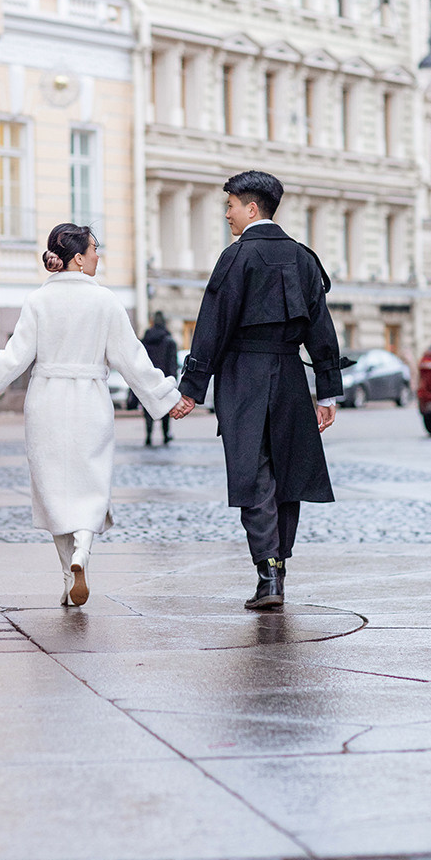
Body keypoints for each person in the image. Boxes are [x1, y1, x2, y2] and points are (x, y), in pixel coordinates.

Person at [0, 224, 190, 607]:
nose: (98, 256)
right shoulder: (106, 302)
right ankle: (82, 555)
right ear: (78, 257)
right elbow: (132, 360)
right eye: (95, 249)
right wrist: (166, 398)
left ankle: (67, 576)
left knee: (54, 491)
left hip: (46, 402)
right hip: (90, 401)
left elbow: (12, 359)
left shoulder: (38, 301)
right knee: (91, 485)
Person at [173, 171, 344, 610]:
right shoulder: (304, 259)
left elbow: (212, 325)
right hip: (289, 376)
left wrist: (192, 387)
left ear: (252, 209)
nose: (227, 214)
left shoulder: (236, 257)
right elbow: (321, 329)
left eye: (230, 205)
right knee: (287, 476)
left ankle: (267, 574)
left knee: (255, 474)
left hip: (242, 378)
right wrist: (326, 391)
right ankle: (278, 571)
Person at [141, 312, 178, 446]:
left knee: (147, 409)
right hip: (164, 379)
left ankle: (149, 436)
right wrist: (174, 380)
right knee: (166, 409)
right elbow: (173, 362)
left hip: (148, 380)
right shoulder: (169, 341)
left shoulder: (145, 340)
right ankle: (165, 435)